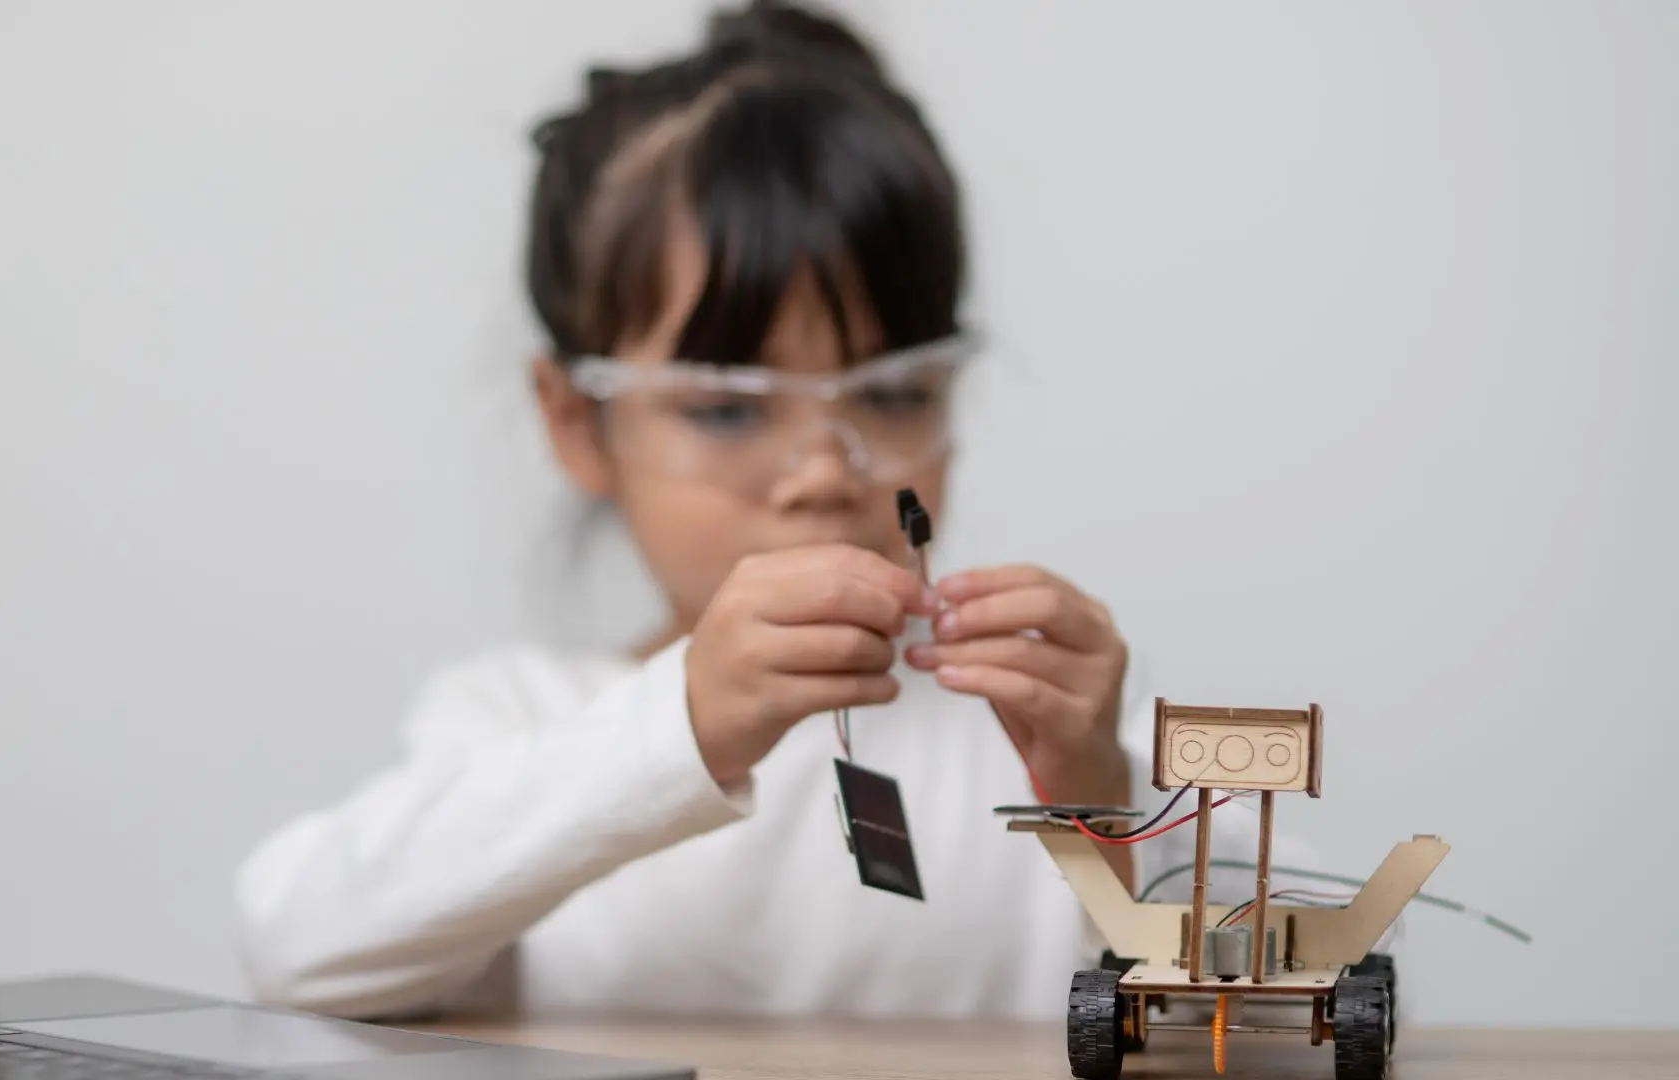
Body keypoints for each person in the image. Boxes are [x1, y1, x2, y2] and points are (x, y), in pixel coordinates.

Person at [234, 0, 1298, 1021]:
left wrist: (1100, 812)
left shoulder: (1059, 717)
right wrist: (677, 726)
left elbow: (1286, 1019)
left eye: (890, 391)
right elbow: (293, 948)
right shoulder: (519, 720)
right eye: (727, 407)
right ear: (576, 421)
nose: (823, 473)